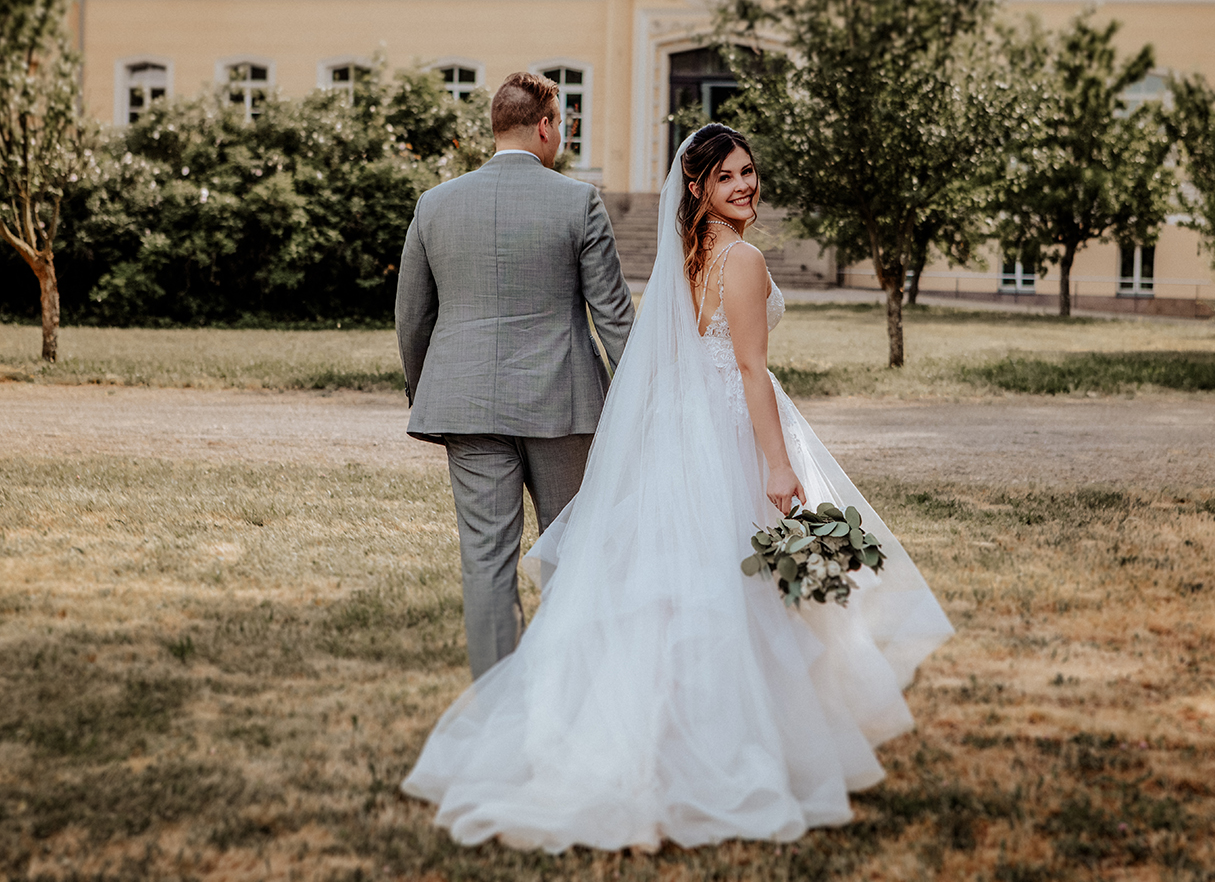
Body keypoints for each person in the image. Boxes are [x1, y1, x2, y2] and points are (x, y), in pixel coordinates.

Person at [401, 124, 953, 852]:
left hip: (682, 432)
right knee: (736, 593)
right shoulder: (744, 260)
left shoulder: (684, 262)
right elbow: (751, 372)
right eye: (728, 177)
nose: (746, 186)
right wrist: (778, 464)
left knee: (678, 595)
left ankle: (656, 750)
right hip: (729, 432)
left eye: (750, 172)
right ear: (697, 189)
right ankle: (734, 755)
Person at [394, 71, 634, 681]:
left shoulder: (435, 203)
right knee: (572, 555)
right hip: (564, 405)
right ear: (547, 125)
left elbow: (413, 320)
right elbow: (614, 319)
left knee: (485, 563)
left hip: (466, 403)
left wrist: (430, 395)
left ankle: (500, 710)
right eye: (565, 124)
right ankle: (573, 689)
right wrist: (643, 400)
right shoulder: (577, 202)